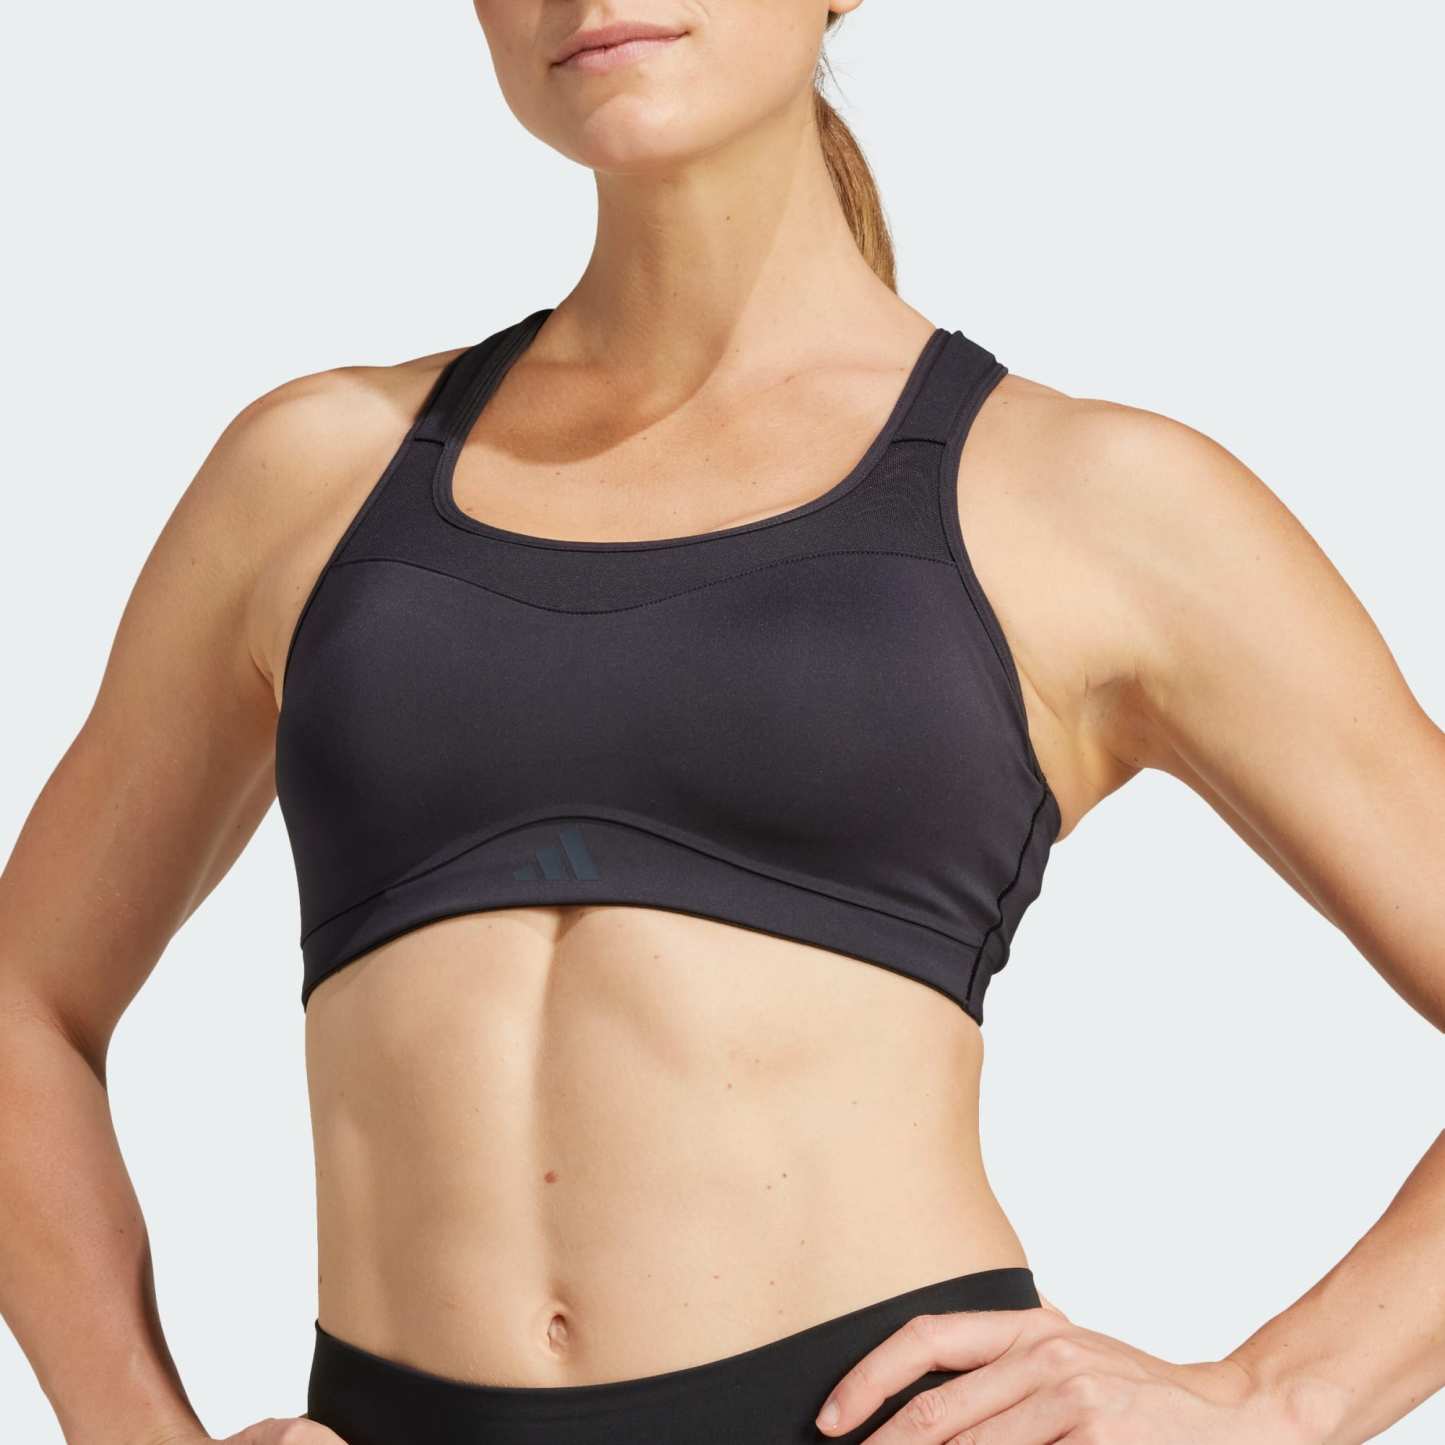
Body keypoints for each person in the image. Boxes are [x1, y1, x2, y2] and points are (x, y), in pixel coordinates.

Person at [2, 3, 1442, 1443]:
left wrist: (1278, 1396)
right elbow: (23, 1001)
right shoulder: (312, 477)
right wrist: (133, 1429)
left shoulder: (1090, 500)